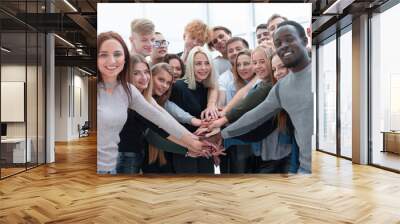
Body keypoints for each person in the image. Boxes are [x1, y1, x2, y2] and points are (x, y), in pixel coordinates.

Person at [97, 31, 213, 174]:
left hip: (120, 157)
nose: (144, 77)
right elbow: (158, 129)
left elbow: (161, 119)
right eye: (104, 54)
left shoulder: (133, 93)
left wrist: (194, 141)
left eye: (146, 72)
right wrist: (191, 145)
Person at [220, 20, 313, 173]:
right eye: (278, 43)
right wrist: (221, 135)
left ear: (304, 39)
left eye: (289, 39)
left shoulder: (320, 71)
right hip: (302, 168)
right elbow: (253, 117)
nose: (284, 45)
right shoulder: (280, 88)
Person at [169, 46, 219, 173]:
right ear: (191, 65)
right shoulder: (178, 87)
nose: (203, 68)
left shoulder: (208, 87)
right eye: (198, 64)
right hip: (186, 150)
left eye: (207, 63)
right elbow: (172, 123)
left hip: (205, 147)